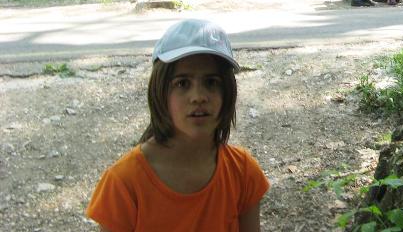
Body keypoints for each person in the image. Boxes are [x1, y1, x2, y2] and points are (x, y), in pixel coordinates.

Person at [86, 19, 269, 232]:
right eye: (182, 83)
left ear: (228, 91)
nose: (198, 96)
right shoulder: (123, 183)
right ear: (160, 91)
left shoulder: (243, 173)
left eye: (211, 82)